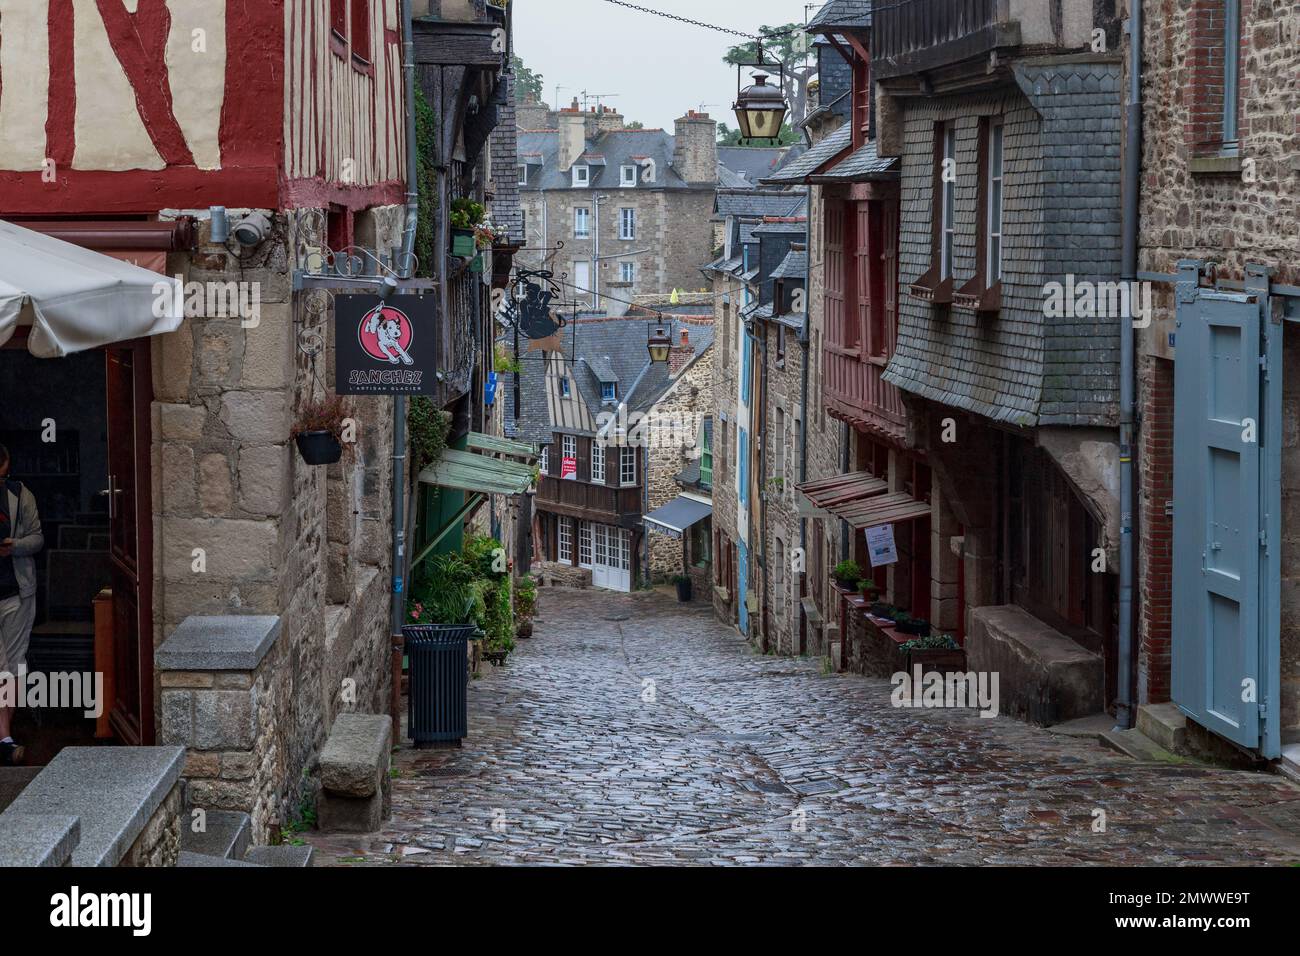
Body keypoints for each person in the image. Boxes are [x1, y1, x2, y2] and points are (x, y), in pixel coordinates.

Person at [0, 443, 43, 765]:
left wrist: (14, 546)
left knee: (13, 664)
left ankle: (4, 734)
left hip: (16, 591)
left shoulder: (19, 494)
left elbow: (37, 538)